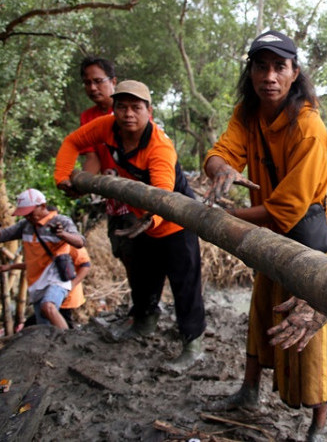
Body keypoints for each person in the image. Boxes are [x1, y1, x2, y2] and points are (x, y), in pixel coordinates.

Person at [203, 30, 327, 441]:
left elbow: (287, 208)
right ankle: (248, 391)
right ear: (252, 72)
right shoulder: (248, 114)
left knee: (308, 329)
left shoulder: (309, 127)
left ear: (295, 73)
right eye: (261, 66)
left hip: (307, 242)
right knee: (261, 310)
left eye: (279, 66)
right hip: (269, 235)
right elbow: (220, 152)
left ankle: (318, 421)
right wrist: (220, 170)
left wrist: (230, 217)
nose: (269, 76)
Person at [54, 80, 206, 373]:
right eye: (121, 107)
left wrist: (152, 219)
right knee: (142, 277)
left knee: (185, 285)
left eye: (136, 108)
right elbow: (72, 142)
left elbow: (163, 195)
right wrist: (62, 176)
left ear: (148, 111)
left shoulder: (160, 147)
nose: (128, 114)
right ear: (114, 110)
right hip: (141, 222)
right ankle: (144, 322)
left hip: (174, 222)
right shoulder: (106, 127)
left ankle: (192, 345)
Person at [78, 57, 138, 283]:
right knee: (120, 247)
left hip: (136, 193)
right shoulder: (88, 117)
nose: (92, 87)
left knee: (138, 248)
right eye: (87, 82)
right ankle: (140, 303)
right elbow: (92, 156)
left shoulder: (129, 110)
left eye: (98, 81)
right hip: (112, 195)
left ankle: (146, 307)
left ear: (113, 81)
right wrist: (83, 183)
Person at [0, 189, 86, 330]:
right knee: (44, 327)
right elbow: (3, 235)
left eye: (30, 213)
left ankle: (68, 341)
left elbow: (80, 242)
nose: (28, 217)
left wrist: (62, 234)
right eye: (25, 214)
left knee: (48, 306)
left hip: (57, 279)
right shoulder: (25, 226)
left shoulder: (61, 221)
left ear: (42, 206)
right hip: (37, 283)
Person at [4, 243, 92, 331]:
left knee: (57, 321)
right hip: (49, 292)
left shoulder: (71, 244)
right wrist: (11, 266)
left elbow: (86, 265)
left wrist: (72, 285)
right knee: (40, 322)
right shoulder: (45, 243)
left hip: (66, 296)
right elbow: (36, 264)